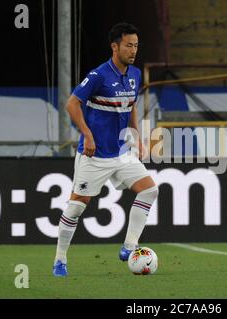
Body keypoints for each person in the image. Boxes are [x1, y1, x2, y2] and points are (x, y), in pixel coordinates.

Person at [53, 22, 158, 277]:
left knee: (150, 190)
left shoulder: (133, 74)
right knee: (77, 206)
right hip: (94, 154)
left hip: (122, 153)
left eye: (136, 45)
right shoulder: (99, 75)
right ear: (115, 46)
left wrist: (137, 136)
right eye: (128, 45)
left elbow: (130, 105)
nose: (133, 50)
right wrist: (87, 135)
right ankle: (60, 260)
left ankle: (129, 246)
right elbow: (71, 104)